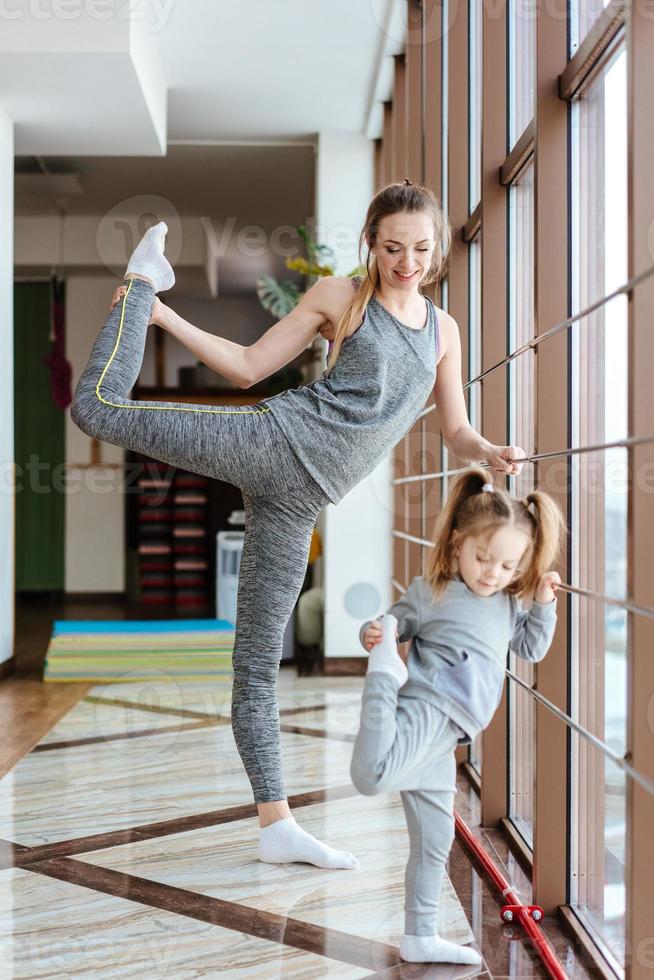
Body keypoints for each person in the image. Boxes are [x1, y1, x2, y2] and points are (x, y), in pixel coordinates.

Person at [70, 179, 527, 871]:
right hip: (272, 441)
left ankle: (275, 824)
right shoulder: (342, 298)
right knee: (98, 410)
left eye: (421, 249)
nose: (406, 261)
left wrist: (488, 450)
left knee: (255, 663)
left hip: (300, 500)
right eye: (393, 246)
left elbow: (453, 428)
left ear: (437, 253)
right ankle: (140, 284)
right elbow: (252, 366)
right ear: (373, 244)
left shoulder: (443, 331)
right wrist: (159, 317)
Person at [349, 465, 566, 964]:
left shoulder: (510, 603)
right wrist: (377, 638)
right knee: (371, 776)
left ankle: (420, 934)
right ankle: (384, 679)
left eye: (508, 566)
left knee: (434, 840)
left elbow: (531, 648)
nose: (492, 573)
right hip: (428, 709)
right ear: (456, 546)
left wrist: (542, 602)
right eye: (483, 558)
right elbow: (393, 621)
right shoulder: (435, 591)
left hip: (449, 737)